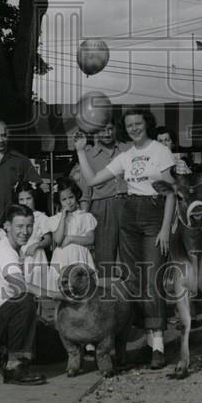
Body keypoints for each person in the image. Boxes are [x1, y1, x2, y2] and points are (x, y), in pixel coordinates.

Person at [74, 107, 176, 369]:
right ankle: (142, 342)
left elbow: (171, 193)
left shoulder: (160, 151)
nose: (134, 128)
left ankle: (158, 347)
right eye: (129, 125)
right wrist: (80, 151)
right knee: (133, 281)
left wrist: (165, 228)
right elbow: (94, 180)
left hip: (154, 216)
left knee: (152, 280)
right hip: (129, 216)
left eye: (138, 124)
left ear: (147, 124)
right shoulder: (126, 155)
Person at [0, 204, 66, 385]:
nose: (26, 231)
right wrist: (55, 294)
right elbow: (20, 287)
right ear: (7, 226)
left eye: (29, 226)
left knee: (58, 348)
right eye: (20, 226)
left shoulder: (15, 249)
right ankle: (14, 366)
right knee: (26, 298)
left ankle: (4, 352)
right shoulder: (3, 250)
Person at [69, 120, 128, 272]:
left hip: (128, 204)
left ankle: (132, 293)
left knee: (131, 253)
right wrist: (83, 220)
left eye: (110, 129)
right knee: (105, 256)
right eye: (102, 130)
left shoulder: (127, 150)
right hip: (102, 209)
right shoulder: (87, 156)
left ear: (115, 129)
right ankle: (106, 293)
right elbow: (85, 193)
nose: (107, 133)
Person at [46, 178, 97, 290]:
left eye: (71, 197)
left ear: (76, 196)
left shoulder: (85, 216)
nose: (68, 202)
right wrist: (63, 217)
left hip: (80, 255)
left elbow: (90, 239)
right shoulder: (56, 219)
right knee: (63, 287)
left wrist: (70, 238)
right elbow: (58, 240)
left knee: (82, 288)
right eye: (64, 199)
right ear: (59, 202)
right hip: (62, 257)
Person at [15, 182, 53, 298]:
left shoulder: (40, 217)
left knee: (38, 288)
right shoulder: (15, 218)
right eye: (21, 200)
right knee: (22, 289)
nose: (25, 202)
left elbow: (48, 239)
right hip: (21, 255)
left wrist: (36, 245)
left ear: (34, 199)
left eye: (28, 198)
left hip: (36, 256)